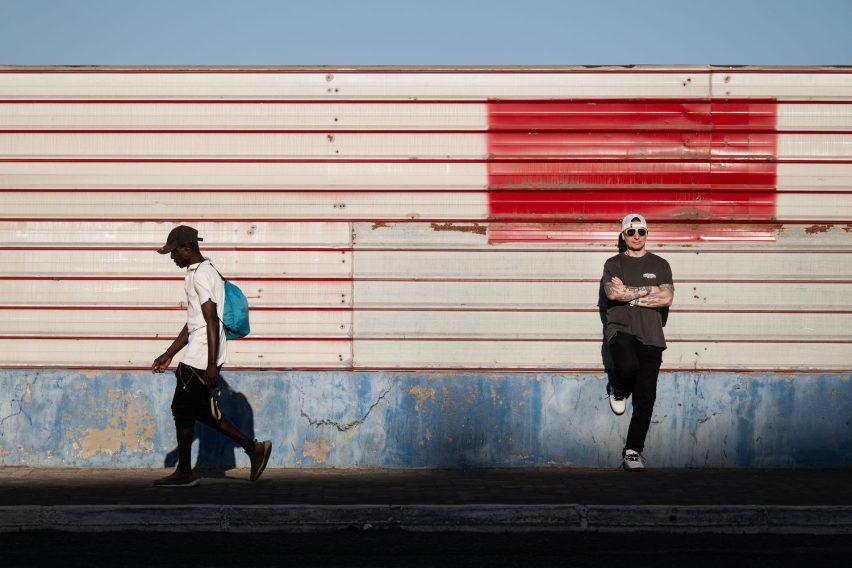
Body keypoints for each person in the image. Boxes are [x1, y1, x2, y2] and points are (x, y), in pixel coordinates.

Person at [151, 225, 271, 486]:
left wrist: (211, 366)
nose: (172, 258)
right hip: (200, 350)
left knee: (181, 407)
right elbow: (195, 321)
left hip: (201, 355)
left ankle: (184, 472)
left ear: (187, 248)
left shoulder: (202, 274)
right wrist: (169, 353)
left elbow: (211, 322)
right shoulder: (201, 272)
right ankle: (254, 449)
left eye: (173, 252)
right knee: (201, 411)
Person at [602, 214, 674, 471]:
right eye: (630, 232)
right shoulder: (613, 263)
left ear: (647, 234)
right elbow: (613, 293)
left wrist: (630, 295)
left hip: (652, 336)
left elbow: (666, 298)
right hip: (620, 329)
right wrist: (649, 289)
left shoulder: (661, 264)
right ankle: (618, 389)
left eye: (640, 232)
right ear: (623, 236)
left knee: (646, 398)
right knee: (627, 366)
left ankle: (633, 451)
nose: (636, 237)